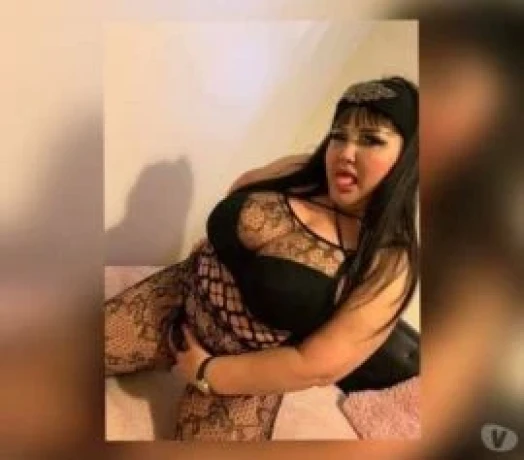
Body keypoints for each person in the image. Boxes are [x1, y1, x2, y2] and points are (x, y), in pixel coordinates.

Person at [104, 76, 419, 441]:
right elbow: (238, 193)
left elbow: (317, 366)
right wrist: (213, 249)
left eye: (371, 140)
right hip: (174, 296)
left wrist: (206, 372)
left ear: (407, 157)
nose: (345, 152)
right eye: (338, 135)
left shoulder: (390, 264)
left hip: (242, 372)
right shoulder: (298, 172)